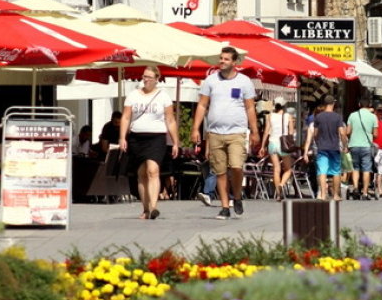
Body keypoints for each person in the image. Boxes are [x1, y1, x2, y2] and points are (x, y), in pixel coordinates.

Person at [190, 46, 259, 220]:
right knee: (220, 171)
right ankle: (225, 206)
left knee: (236, 166)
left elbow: (250, 107)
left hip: (237, 132)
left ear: (234, 62)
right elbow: (202, 105)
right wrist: (195, 128)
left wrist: (255, 131)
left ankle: (237, 196)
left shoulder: (244, 81)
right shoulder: (211, 81)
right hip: (214, 132)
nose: (222, 61)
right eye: (221, 58)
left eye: (226, 59)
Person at [119, 66, 179, 220]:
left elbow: (170, 120)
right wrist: (122, 137)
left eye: (149, 77)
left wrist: (175, 142)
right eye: (144, 76)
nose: (146, 80)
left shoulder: (163, 96)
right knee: (141, 173)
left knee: (153, 170)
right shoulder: (133, 95)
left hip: (156, 137)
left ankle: (153, 207)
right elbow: (126, 117)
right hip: (137, 137)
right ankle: (145, 209)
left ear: (156, 79)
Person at [312, 94, 347, 201]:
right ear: (333, 104)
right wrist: (345, 145)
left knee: (322, 171)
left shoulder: (318, 117)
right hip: (334, 147)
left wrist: (318, 142)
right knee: (336, 171)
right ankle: (336, 195)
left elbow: (315, 134)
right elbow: (342, 133)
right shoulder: (337, 117)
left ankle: (323, 194)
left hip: (322, 147)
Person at [260, 97, 296, 201]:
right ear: (284, 106)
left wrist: (262, 146)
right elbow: (291, 132)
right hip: (283, 144)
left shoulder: (270, 116)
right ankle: (281, 184)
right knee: (288, 169)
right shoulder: (288, 116)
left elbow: (266, 131)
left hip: (272, 143)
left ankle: (278, 194)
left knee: (276, 169)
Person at [346, 95, 378, 200]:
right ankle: (364, 192)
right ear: (369, 105)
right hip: (366, 146)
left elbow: (348, 132)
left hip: (354, 145)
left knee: (355, 168)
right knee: (366, 169)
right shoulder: (373, 117)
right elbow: (376, 134)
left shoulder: (352, 115)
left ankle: (355, 188)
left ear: (359, 105)